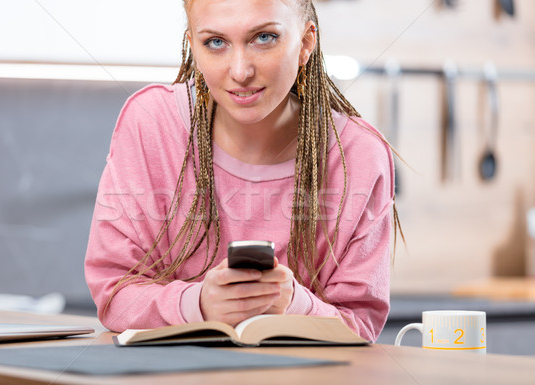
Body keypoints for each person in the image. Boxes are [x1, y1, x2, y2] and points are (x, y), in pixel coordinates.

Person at [85, 0, 400, 342]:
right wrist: (201, 304)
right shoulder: (150, 123)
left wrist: (292, 304)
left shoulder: (359, 153)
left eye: (263, 38)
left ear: (305, 44)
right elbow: (115, 293)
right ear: (193, 46)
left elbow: (360, 325)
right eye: (215, 43)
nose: (240, 71)